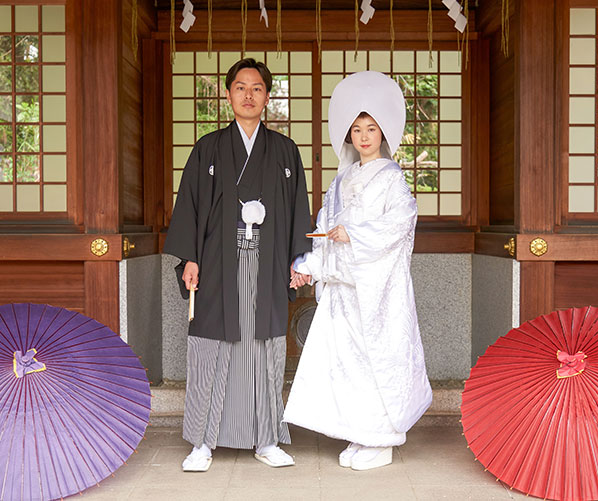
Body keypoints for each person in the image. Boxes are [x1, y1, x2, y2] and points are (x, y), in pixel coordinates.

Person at [164, 58, 311, 472]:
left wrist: (299, 261)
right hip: (216, 264)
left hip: (266, 265)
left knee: (263, 349)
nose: (249, 95)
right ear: (228, 95)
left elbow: (299, 208)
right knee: (210, 347)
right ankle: (202, 442)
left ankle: (265, 438)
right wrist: (190, 258)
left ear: (268, 96)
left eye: (257, 88)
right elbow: (190, 207)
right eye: (241, 87)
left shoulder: (284, 151)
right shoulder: (208, 148)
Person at [284, 71, 433, 470]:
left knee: (375, 360)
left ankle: (382, 439)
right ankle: (358, 434)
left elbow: (400, 224)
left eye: (371, 128)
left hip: (377, 291)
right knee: (346, 363)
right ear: (348, 135)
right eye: (356, 129)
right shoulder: (342, 178)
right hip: (345, 291)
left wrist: (356, 233)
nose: (364, 136)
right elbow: (326, 231)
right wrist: (310, 267)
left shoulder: (392, 179)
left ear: (383, 132)